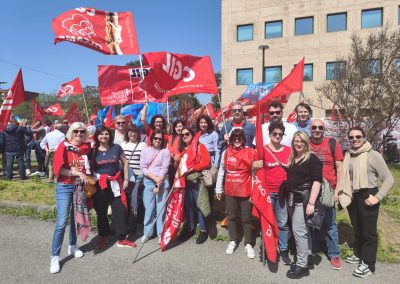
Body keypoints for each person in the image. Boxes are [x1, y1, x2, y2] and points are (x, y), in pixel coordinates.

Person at [338, 126, 394, 278]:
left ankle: (368, 264)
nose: (354, 140)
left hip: (368, 195)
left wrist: (377, 197)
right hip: (353, 196)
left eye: (358, 137)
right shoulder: (349, 154)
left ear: (364, 137)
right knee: (358, 228)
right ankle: (359, 254)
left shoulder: (373, 155)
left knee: (369, 232)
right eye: (351, 137)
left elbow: (389, 179)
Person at [50, 122, 92, 274]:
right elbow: (58, 169)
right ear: (71, 132)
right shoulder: (64, 146)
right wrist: (77, 173)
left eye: (82, 131)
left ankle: (72, 246)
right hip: (65, 186)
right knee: (62, 222)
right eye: (76, 131)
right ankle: (55, 256)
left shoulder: (86, 148)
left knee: (76, 218)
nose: (79, 134)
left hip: (80, 187)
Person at [284, 131, 322, 279]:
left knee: (299, 231)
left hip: (304, 199)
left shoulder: (312, 159)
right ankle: (308, 258)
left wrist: (311, 203)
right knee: (304, 230)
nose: (298, 144)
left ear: (307, 143)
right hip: (293, 198)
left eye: (302, 141)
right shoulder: (294, 157)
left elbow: (317, 182)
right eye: (296, 141)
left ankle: (302, 265)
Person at [92, 125, 136, 250]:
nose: (103, 136)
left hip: (115, 183)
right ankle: (103, 236)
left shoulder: (116, 148)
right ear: (97, 136)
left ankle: (122, 238)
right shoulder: (93, 150)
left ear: (110, 135)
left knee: (120, 210)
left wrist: (126, 179)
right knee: (101, 211)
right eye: (101, 134)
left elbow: (125, 162)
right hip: (99, 184)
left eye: (106, 134)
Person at [215, 129, 256, 258]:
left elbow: (254, 174)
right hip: (230, 191)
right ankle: (233, 240)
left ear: (243, 139)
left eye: (239, 138)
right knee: (231, 217)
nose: (237, 140)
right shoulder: (226, 153)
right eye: (234, 138)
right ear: (231, 139)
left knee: (247, 218)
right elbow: (221, 170)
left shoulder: (250, 152)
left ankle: (248, 243)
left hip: (245, 190)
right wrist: (218, 189)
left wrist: (254, 192)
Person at [309, 119, 343, 270]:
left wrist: (338, 191)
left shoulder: (332, 143)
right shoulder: (305, 142)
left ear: (324, 129)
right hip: (310, 188)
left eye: (320, 127)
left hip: (328, 189)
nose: (317, 130)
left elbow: (340, 168)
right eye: (314, 127)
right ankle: (313, 249)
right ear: (310, 129)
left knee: (330, 223)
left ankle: (334, 254)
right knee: (310, 221)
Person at [263, 122, 291, 265]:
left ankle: (284, 249)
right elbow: (256, 170)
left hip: (282, 193)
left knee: (282, 223)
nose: (277, 136)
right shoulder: (263, 150)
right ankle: (268, 248)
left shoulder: (288, 150)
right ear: (270, 135)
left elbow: (294, 169)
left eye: (280, 134)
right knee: (267, 222)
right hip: (267, 192)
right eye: (275, 134)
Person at [178, 127, 211, 244]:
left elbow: (206, 162)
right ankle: (190, 228)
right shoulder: (182, 149)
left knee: (200, 206)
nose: (185, 136)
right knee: (188, 207)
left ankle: (203, 230)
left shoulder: (199, 146)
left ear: (192, 134)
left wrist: (193, 168)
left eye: (187, 133)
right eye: (183, 135)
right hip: (185, 182)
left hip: (196, 180)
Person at [139, 130, 171, 243]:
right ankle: (147, 233)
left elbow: (164, 168)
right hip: (149, 181)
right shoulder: (145, 151)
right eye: (155, 138)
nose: (157, 140)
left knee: (161, 209)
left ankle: (160, 233)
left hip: (161, 183)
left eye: (160, 139)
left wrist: (158, 183)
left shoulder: (165, 152)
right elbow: (143, 167)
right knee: (149, 209)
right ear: (152, 138)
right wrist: (154, 178)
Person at [120, 125, 147, 235]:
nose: (133, 134)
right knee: (126, 201)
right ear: (127, 133)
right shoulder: (122, 145)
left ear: (138, 134)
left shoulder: (143, 145)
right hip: (127, 177)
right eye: (130, 132)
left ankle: (139, 225)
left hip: (139, 177)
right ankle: (126, 225)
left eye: (135, 132)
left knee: (139, 202)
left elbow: (146, 160)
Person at [218, 101, 255, 165]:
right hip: (230, 161)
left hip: (245, 161)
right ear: (232, 112)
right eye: (235, 111)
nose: (237, 112)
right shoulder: (226, 127)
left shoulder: (251, 127)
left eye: (239, 110)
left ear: (242, 112)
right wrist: (224, 140)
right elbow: (218, 145)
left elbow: (254, 145)